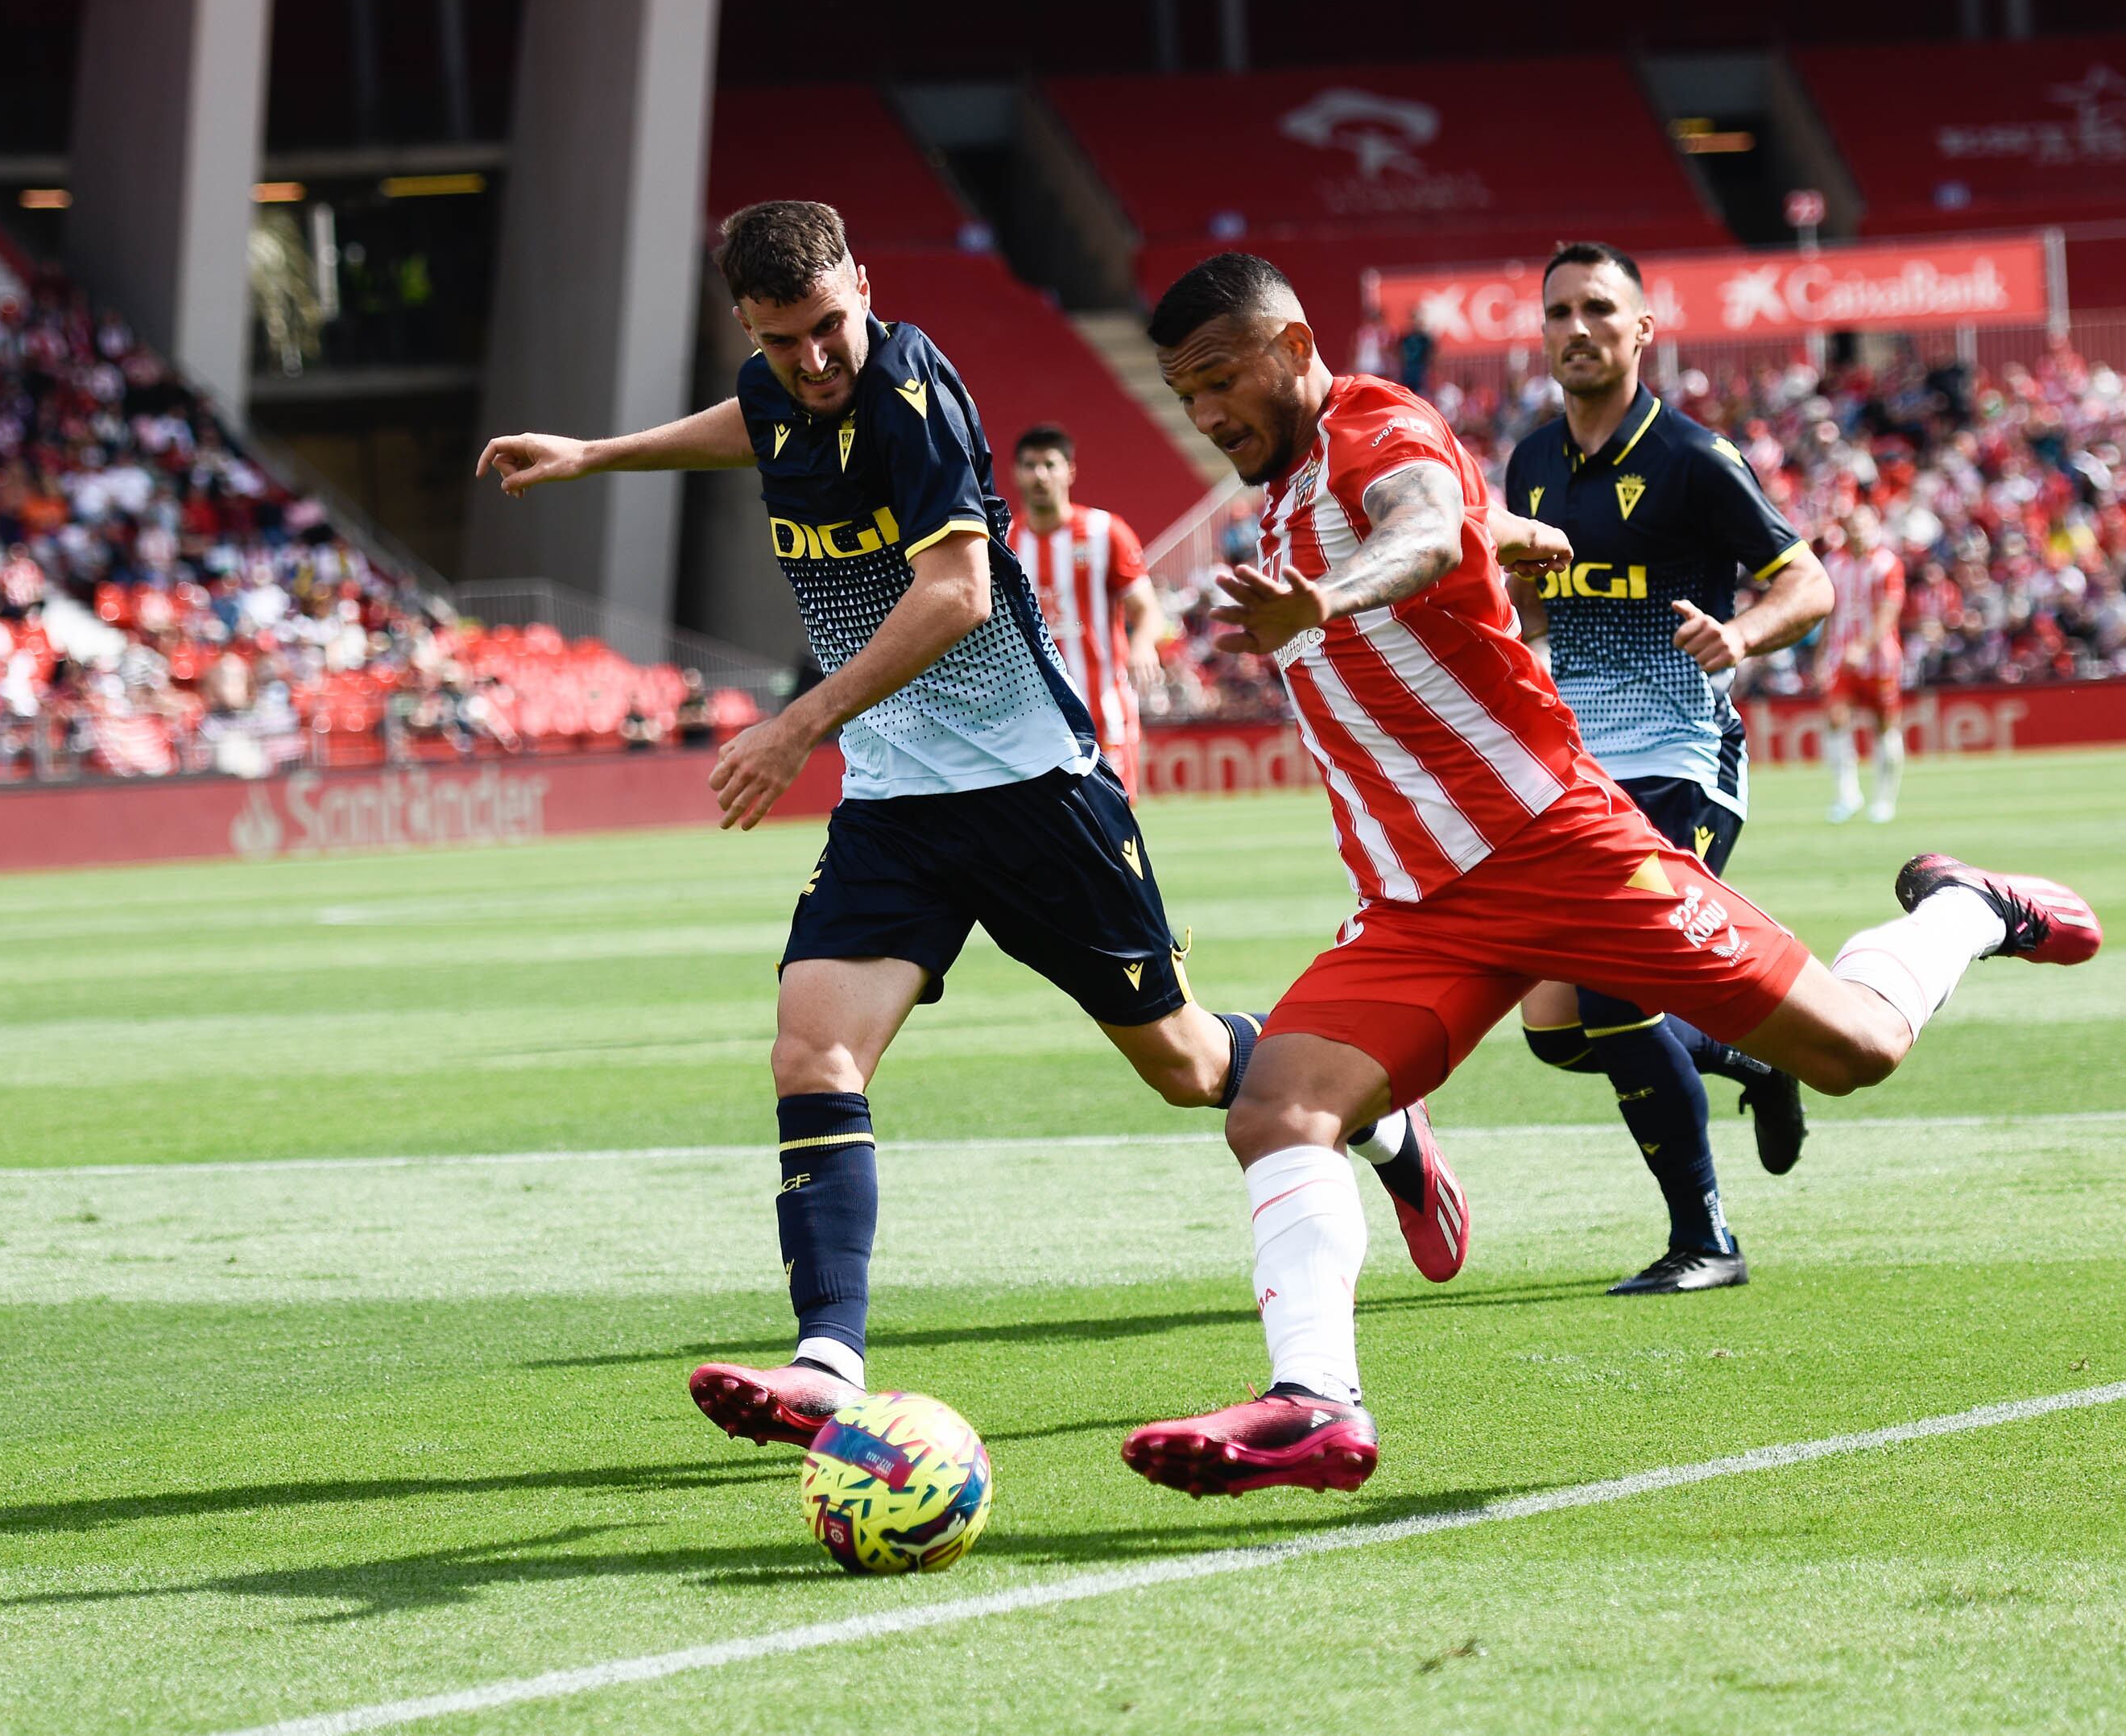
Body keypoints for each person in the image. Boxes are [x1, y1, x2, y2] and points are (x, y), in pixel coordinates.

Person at [474, 203, 1469, 1449]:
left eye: (831, 327)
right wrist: (597, 454)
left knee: (1183, 1065)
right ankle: (830, 1356)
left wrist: (797, 725)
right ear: (750, 327)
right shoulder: (780, 386)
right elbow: (761, 422)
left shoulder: (910, 387)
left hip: (1033, 787)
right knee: (811, 1050)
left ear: (865, 290)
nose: (816, 361)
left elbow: (956, 592)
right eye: (784, 340)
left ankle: (1376, 1117)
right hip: (896, 806)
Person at [1115, 254, 2101, 1497]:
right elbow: (1467, 529)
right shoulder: (1292, 486)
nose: (1203, 414)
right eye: (1181, 391)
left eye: (1219, 379)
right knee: (1274, 1108)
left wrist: (1329, 600)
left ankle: (1969, 907)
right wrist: (1511, 538)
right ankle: (1317, 1401)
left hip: (1561, 849)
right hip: (1425, 900)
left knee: (1854, 1051)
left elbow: (1418, 521)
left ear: (1294, 344)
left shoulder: (1377, 424)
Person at [1499, 243, 1834, 1298]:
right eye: (1559, 310)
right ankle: (1755, 1054)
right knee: (1556, 1029)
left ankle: (1707, 1240)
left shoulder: (1695, 457)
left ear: (1644, 329)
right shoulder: (1531, 464)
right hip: (1577, 767)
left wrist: (1742, 634)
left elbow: (1810, 582)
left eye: (1601, 307)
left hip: (1685, 760)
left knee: (1615, 988)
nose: (1577, 325)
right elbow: (1535, 610)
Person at [1006, 424, 1164, 799]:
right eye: (1030, 465)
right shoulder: (1006, 542)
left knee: (1115, 821)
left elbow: (1147, 609)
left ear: (1070, 471)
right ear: (1016, 473)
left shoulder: (1105, 531)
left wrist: (1142, 644)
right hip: (1030, 717)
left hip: (1104, 710)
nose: (1040, 475)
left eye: (1050, 464)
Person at [1819, 504, 1909, 825]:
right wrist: (1821, 655)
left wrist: (1864, 645)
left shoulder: (1887, 564)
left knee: (1885, 725)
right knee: (1835, 718)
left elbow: (1889, 611)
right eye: (1853, 525)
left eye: (1863, 525)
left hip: (1879, 659)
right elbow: (1829, 612)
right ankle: (1847, 795)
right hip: (1842, 656)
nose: (1858, 531)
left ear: (1875, 527)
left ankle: (1885, 800)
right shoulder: (1834, 564)